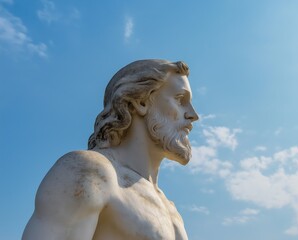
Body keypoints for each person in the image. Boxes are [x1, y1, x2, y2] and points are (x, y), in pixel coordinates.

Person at [23, 59, 199, 240]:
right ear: (140, 102)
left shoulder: (171, 211)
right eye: (180, 100)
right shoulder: (88, 171)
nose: (194, 115)